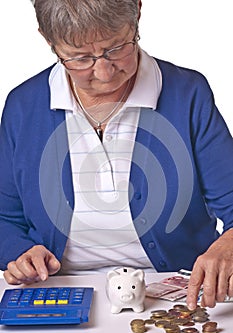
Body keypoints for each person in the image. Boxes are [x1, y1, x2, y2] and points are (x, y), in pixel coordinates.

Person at [0, 0, 233, 311]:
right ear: (48, 40)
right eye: (80, 58)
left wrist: (228, 245)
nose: (105, 72)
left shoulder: (188, 93)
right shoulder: (22, 105)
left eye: (116, 48)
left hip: (175, 297)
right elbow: (4, 217)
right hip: (60, 292)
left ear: (137, 11)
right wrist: (20, 251)